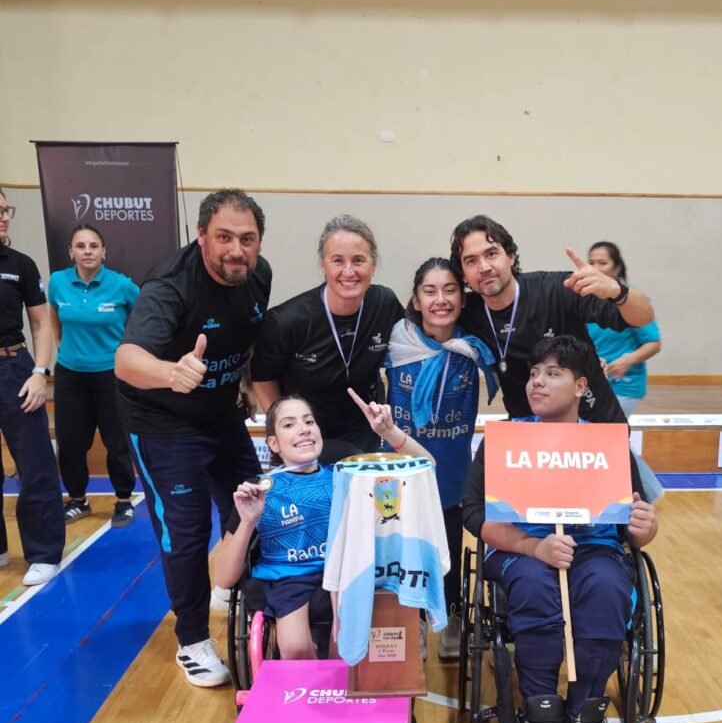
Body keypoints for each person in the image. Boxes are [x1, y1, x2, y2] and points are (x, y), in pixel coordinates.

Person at [463, 335, 658, 723]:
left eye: (553, 374)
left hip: (593, 548)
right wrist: (532, 547)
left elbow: (634, 526)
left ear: (580, 386)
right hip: (521, 547)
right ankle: (542, 720)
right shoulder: (504, 440)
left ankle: (584, 718)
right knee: (534, 583)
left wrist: (645, 527)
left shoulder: (608, 445)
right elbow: (474, 513)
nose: (538, 382)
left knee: (607, 585)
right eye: (534, 373)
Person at [114, 188, 272, 688]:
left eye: (247, 239)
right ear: (201, 235)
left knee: (254, 506)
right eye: (224, 237)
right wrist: (171, 372)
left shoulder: (258, 275)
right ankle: (192, 639)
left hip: (221, 413)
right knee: (185, 532)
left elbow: (245, 338)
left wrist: (243, 383)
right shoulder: (170, 286)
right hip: (162, 422)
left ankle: (228, 585)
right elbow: (125, 361)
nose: (236, 250)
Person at [213, 389, 434, 659]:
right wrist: (248, 522)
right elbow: (223, 578)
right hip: (288, 579)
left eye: (309, 421)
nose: (303, 429)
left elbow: (428, 466)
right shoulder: (259, 490)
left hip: (345, 572)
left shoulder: (348, 475)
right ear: (273, 443)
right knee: (295, 648)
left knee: (344, 648)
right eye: (289, 424)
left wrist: (389, 432)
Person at [385, 257, 497, 660]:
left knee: (447, 552)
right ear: (416, 300)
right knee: (403, 551)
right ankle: (411, 621)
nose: (441, 299)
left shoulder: (475, 345)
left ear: (462, 299)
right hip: (399, 472)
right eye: (430, 291)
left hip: (450, 473)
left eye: (450, 290)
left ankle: (451, 618)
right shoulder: (395, 341)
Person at [450, 215, 655, 425]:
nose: (484, 267)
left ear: (510, 256)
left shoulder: (559, 289)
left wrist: (617, 291)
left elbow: (644, 317)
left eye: (491, 254)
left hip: (595, 424)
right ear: (463, 274)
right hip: (528, 430)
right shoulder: (467, 311)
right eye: (471, 261)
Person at [251, 215, 404, 463]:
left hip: (363, 439)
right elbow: (262, 377)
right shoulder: (286, 321)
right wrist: (287, 428)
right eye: (338, 260)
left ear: (373, 264)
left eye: (358, 260)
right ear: (323, 265)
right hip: (304, 443)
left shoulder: (385, 305)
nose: (349, 271)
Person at [48, 224, 140, 526]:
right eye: (81, 246)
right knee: (71, 442)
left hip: (111, 376)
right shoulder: (58, 282)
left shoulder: (122, 285)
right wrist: (64, 349)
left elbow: (144, 318)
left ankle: (124, 500)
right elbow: (54, 318)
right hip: (70, 376)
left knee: (117, 442)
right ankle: (78, 499)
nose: (87, 251)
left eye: (93, 246)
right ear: (71, 252)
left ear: (104, 252)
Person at [0, 189, 65, 585]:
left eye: (5, 210)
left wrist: (40, 372)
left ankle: (44, 553)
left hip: (13, 368)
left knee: (36, 462)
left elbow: (41, 324)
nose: (4, 217)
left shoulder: (19, 265)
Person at [586, 240, 663, 502]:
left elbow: (653, 342)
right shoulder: (586, 301)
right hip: (597, 384)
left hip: (625, 385)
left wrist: (626, 360)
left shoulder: (630, 302)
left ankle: (648, 492)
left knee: (610, 438)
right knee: (610, 439)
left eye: (603, 262)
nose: (596, 267)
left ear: (616, 267)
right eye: (592, 262)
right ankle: (649, 490)